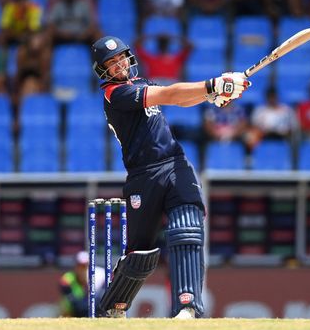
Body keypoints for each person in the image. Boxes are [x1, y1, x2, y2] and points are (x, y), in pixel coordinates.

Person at [90, 36, 250, 318]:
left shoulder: (141, 85)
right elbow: (170, 95)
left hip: (175, 163)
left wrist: (215, 94)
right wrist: (212, 85)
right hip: (144, 175)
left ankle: (188, 307)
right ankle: (111, 310)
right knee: (142, 255)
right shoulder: (114, 94)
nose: (118, 66)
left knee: (187, 228)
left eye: (121, 59)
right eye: (111, 63)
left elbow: (183, 100)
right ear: (102, 70)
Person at [59, 250, 105, 317]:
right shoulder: (67, 279)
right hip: (74, 314)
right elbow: (76, 306)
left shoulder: (100, 276)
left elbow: (103, 303)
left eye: (85, 266)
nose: (82, 269)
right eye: (80, 266)